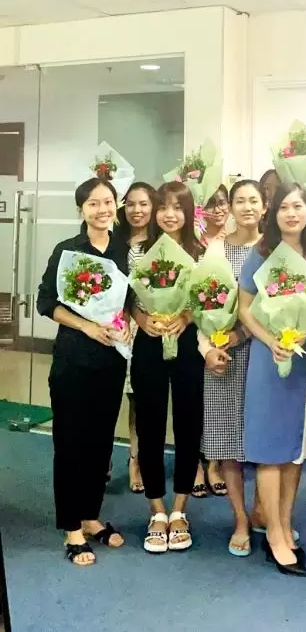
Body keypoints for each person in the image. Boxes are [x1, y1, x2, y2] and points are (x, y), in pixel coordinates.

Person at [39, 178, 132, 566]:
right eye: (93, 203)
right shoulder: (68, 251)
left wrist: (128, 325)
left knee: (100, 442)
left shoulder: (125, 250)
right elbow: (46, 302)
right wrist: (86, 326)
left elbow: (132, 301)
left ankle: (91, 517)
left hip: (111, 361)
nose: (102, 209)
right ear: (81, 210)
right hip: (73, 359)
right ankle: (72, 527)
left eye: (108, 202)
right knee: (71, 442)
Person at [238, 183, 306, 576]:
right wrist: (273, 341)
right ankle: (273, 534)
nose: (291, 213)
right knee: (270, 446)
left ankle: (284, 523)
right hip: (268, 358)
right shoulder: (261, 253)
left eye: (298, 206)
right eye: (284, 207)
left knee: (294, 449)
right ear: (274, 213)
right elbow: (245, 308)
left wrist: (303, 334)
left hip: (304, 359)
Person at [130, 182, 206, 555]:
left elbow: (209, 297)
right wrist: (141, 318)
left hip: (187, 343)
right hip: (149, 342)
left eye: (177, 207)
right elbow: (129, 298)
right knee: (150, 425)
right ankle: (157, 510)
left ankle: (179, 510)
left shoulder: (201, 252)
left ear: (189, 212)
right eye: (163, 207)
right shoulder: (139, 251)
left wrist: (187, 316)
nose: (169, 214)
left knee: (189, 424)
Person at [199, 180, 264, 557]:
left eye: (254, 200)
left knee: (265, 441)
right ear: (230, 207)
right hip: (222, 357)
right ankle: (240, 518)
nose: (247, 207)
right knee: (227, 443)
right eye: (240, 200)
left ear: (264, 206)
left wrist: (243, 334)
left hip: (265, 354)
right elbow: (199, 303)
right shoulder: (215, 249)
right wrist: (208, 349)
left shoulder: (274, 250)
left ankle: (262, 510)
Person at [113, 181, 155, 495]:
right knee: (115, 395)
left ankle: (138, 458)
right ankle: (112, 456)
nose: (136, 210)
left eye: (143, 204)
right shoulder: (115, 242)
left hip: (151, 326)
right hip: (118, 325)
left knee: (142, 398)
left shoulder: (161, 243)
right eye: (130, 204)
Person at [194, 183, 232, 498]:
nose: (218, 209)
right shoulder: (192, 240)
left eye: (223, 202)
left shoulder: (234, 240)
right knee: (192, 401)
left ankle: (214, 462)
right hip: (189, 326)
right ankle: (195, 464)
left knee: (217, 401)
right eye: (211, 203)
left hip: (222, 329)